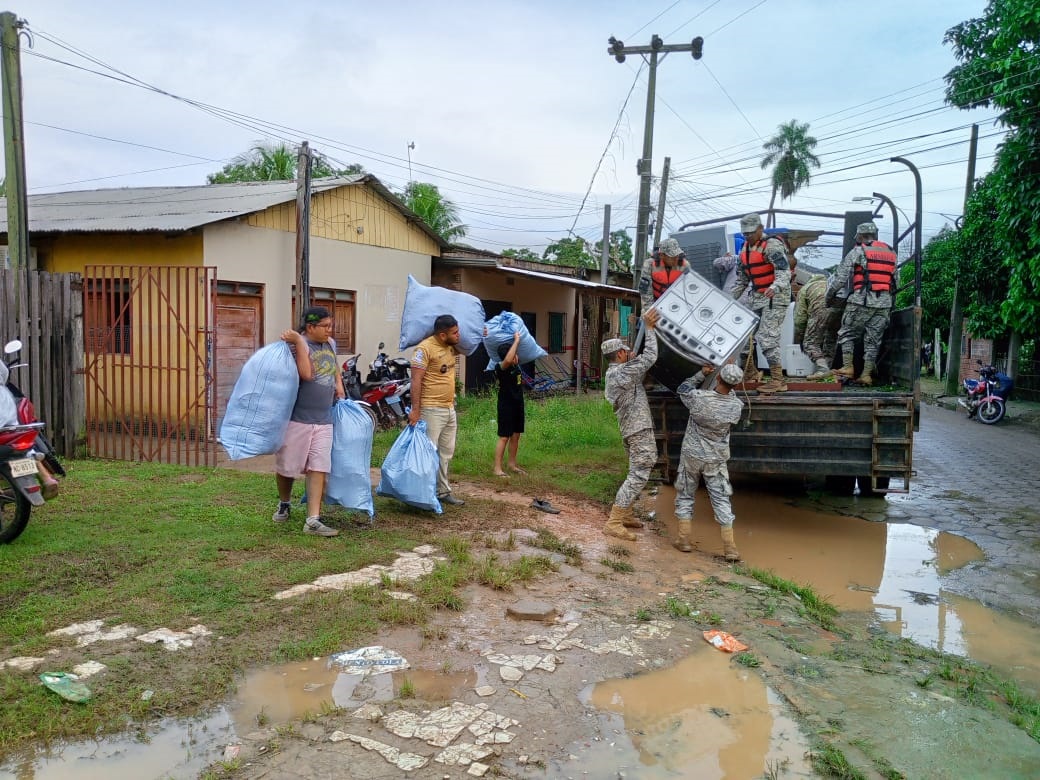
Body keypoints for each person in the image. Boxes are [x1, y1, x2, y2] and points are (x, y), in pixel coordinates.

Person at [272, 306, 346, 538]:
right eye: (325, 326)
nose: (329, 330)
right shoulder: (294, 347)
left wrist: (339, 385)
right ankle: (285, 503)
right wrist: (299, 341)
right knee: (287, 468)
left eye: (331, 325)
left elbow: (334, 366)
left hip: (324, 418)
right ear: (310, 327)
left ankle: (313, 520)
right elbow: (306, 374)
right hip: (297, 419)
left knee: (318, 467)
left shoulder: (329, 343)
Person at [672, 362, 745, 561]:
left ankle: (684, 539)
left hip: (692, 456)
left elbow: (682, 389)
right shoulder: (736, 406)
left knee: (685, 494)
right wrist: (731, 373)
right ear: (736, 385)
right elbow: (730, 395)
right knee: (721, 499)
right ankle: (730, 548)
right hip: (716, 459)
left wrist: (701, 374)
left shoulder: (699, 398)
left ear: (718, 378)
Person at [602, 309, 661, 541]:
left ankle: (625, 514)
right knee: (640, 472)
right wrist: (650, 329)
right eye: (625, 351)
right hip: (638, 430)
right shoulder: (622, 372)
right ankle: (614, 522)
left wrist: (632, 360)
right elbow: (650, 357)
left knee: (636, 469)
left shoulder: (616, 373)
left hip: (632, 429)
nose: (629, 353)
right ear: (619, 354)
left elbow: (637, 368)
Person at [826, 222, 897, 385]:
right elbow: (895, 282)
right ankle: (866, 375)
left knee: (846, 333)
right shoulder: (891, 252)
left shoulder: (858, 251)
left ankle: (848, 367)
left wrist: (828, 298)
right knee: (873, 340)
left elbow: (840, 279)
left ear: (859, 236)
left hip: (861, 301)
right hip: (884, 303)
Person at [731, 214, 792, 392]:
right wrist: (727, 299)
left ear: (760, 229)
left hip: (775, 297)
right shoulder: (744, 249)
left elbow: (784, 272)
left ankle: (778, 380)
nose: (747, 236)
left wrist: (775, 286)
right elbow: (742, 280)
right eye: (745, 233)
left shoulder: (772, 245)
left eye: (750, 233)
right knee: (743, 337)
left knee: (767, 338)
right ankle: (750, 373)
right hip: (756, 297)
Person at [408, 314, 465, 506]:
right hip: (431, 409)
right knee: (428, 453)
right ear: (442, 335)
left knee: (446, 453)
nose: (458, 335)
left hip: (449, 408)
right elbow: (415, 380)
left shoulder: (450, 347)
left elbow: (468, 346)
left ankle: (442, 491)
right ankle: (422, 494)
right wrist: (416, 410)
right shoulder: (424, 349)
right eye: (455, 333)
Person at [793, 273, 841, 380]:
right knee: (831, 340)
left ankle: (823, 369)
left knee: (810, 343)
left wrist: (800, 336)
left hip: (820, 312)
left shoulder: (806, 288)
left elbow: (800, 318)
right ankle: (827, 368)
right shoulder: (830, 284)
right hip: (839, 312)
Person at [492, 332, 525, 477]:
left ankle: (512, 464)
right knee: (504, 436)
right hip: (506, 406)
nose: (516, 356)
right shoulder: (501, 367)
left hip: (518, 405)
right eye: (514, 354)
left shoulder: (516, 367)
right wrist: (516, 341)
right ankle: (497, 469)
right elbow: (506, 360)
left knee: (516, 435)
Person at [639, 237, 690, 308]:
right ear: (662, 255)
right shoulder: (649, 264)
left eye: (677, 255)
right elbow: (645, 292)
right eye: (672, 256)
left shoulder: (685, 265)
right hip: (655, 303)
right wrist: (651, 310)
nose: (676, 258)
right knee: (646, 313)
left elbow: (689, 290)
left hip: (677, 305)